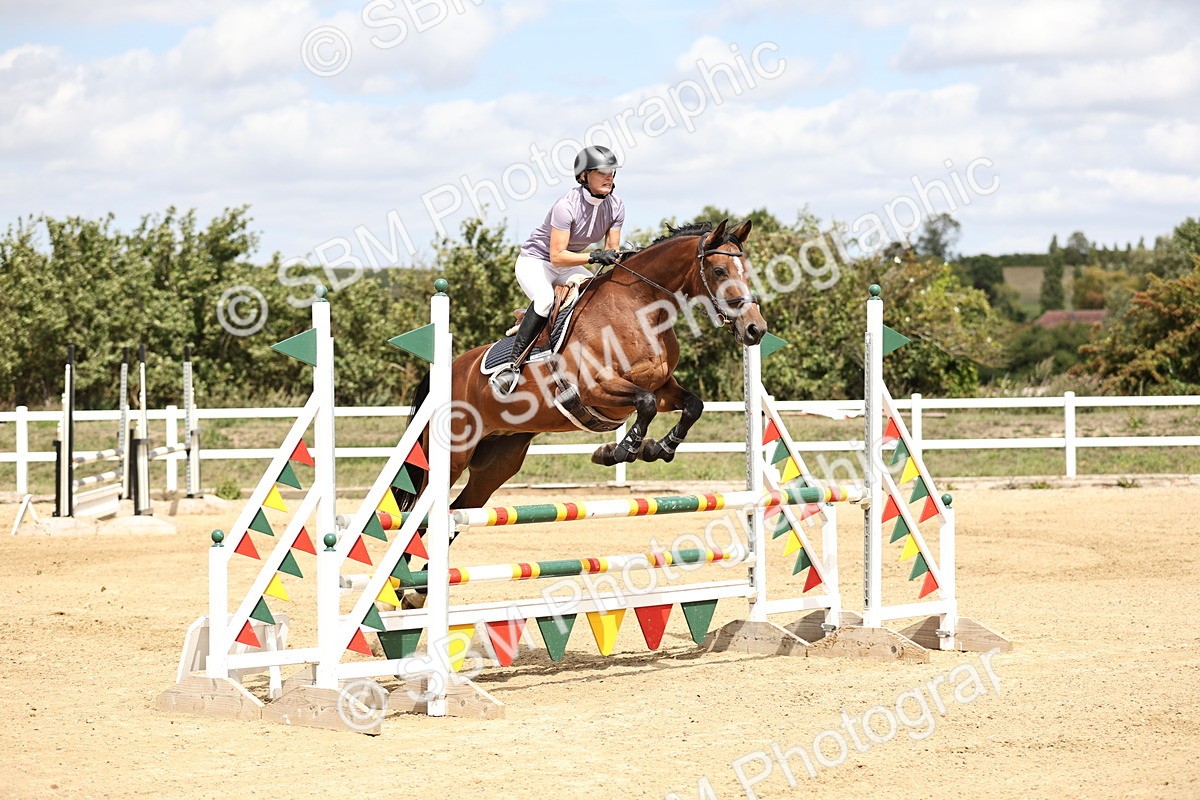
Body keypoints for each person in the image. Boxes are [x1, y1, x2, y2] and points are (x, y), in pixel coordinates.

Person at [489, 144, 627, 395]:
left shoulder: (616, 206)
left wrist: (625, 257)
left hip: (569, 263)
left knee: (598, 298)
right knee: (544, 300)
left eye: (612, 172)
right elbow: (557, 256)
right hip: (538, 261)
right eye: (602, 172)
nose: (609, 177)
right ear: (584, 176)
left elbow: (613, 252)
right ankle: (512, 366)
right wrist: (595, 256)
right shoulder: (567, 205)